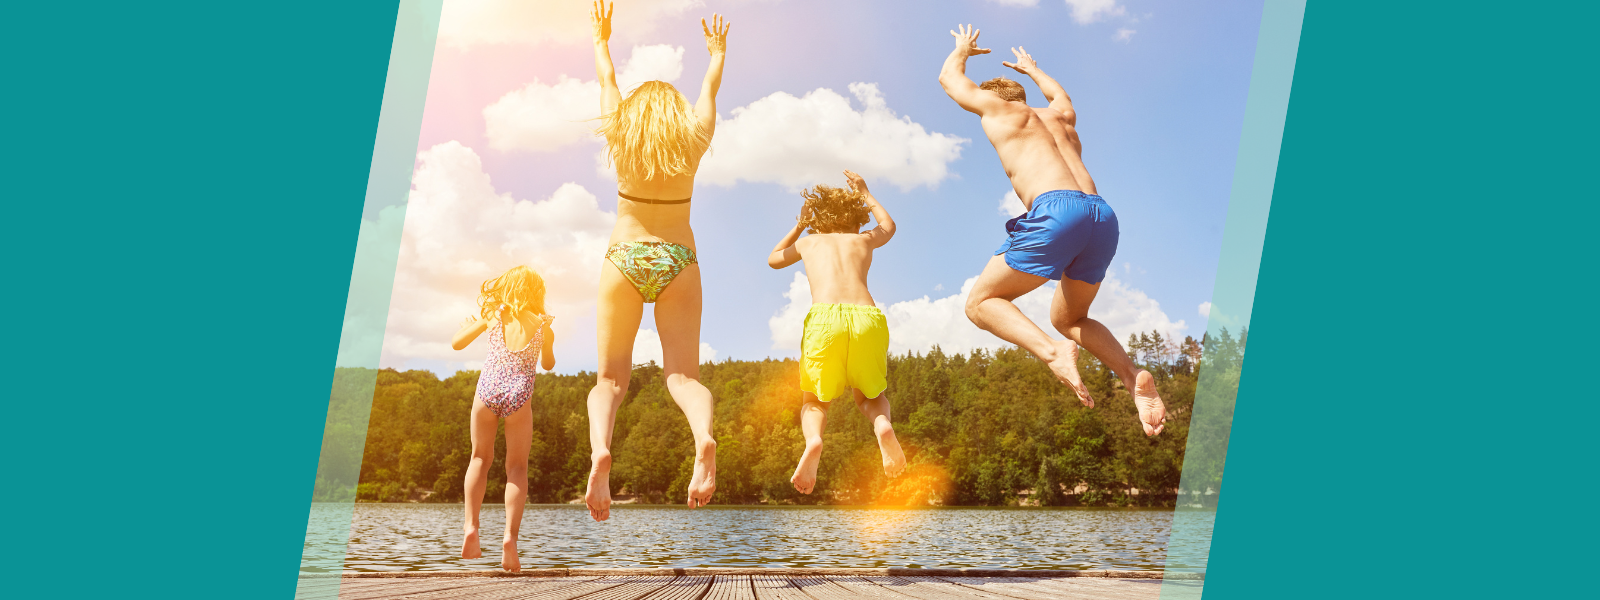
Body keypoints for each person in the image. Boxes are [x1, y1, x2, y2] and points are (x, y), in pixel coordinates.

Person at [938, 26, 1166, 436]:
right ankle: (1133, 378)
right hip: (1102, 216)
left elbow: (950, 80)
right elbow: (1062, 97)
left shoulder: (1002, 111)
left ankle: (1052, 352)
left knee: (981, 302)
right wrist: (1033, 69)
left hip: (1057, 210)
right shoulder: (1060, 118)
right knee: (1070, 316)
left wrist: (961, 50)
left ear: (994, 98)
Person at [583, 1, 729, 521]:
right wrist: (716, 56)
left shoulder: (621, 134)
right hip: (678, 258)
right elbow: (708, 92)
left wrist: (602, 39)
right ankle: (703, 439)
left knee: (609, 381)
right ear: (674, 115)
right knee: (683, 378)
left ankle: (602, 450)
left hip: (624, 254)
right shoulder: (692, 139)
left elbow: (607, 78)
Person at [767, 170, 907, 494]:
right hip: (866, 318)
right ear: (856, 218)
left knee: (815, 400)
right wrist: (866, 193)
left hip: (824, 320)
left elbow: (774, 259)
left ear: (819, 219)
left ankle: (814, 440)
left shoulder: (809, 241)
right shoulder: (863, 239)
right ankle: (882, 426)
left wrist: (800, 224)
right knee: (871, 396)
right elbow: (889, 227)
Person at [449, 265, 556, 572]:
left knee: (479, 458)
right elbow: (548, 363)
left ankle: (471, 527)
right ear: (538, 293)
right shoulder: (542, 324)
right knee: (517, 467)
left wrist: (475, 322)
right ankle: (509, 538)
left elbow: (457, 342)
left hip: (487, 391)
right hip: (519, 396)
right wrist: (546, 338)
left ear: (507, 288)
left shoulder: (494, 315)